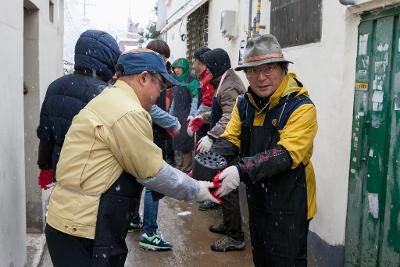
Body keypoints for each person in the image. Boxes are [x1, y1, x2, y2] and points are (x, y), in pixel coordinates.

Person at [44, 49, 218, 267]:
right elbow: (153, 172)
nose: (158, 94)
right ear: (143, 77)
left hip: (70, 222)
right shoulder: (128, 112)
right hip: (85, 229)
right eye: (160, 86)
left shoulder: (109, 98)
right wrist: (199, 189)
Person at [214, 34, 318, 266]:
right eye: (252, 71)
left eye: (268, 68)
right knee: (262, 257)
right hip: (258, 197)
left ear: (283, 69)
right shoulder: (244, 103)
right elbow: (232, 138)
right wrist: (209, 161)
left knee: (286, 261)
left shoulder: (301, 108)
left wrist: (240, 171)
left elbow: (286, 153)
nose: (260, 78)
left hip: (290, 203)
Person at [36, 30, 120, 189]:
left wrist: (44, 167)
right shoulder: (106, 94)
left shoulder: (55, 86)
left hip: (61, 171)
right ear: (109, 59)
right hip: (93, 178)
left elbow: (46, 134)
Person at [196, 48, 247, 251]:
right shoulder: (226, 81)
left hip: (230, 143)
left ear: (216, 66)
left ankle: (235, 236)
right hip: (225, 142)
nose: (204, 72)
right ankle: (228, 225)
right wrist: (204, 118)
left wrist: (211, 136)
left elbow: (231, 116)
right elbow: (221, 112)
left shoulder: (229, 85)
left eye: (207, 67)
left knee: (229, 189)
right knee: (223, 186)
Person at [170, 58, 200, 173]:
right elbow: (174, 100)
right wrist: (170, 115)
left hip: (186, 116)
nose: (176, 70)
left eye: (179, 68)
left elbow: (195, 99)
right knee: (177, 142)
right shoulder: (176, 81)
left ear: (185, 68)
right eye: (175, 68)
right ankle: (180, 166)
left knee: (186, 143)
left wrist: (192, 115)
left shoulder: (193, 81)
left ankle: (187, 168)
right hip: (177, 115)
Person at [187, 47, 214, 141]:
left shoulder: (209, 77)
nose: (194, 64)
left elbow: (207, 103)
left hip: (207, 125)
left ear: (198, 61)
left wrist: (195, 121)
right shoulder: (203, 77)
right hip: (204, 122)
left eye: (194, 61)